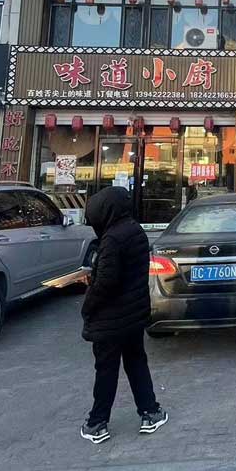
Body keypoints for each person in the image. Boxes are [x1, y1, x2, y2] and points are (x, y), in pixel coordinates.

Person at [80, 187, 168, 444]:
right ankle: (150, 412)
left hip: (111, 317)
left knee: (106, 369)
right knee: (136, 362)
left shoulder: (112, 239)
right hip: (133, 314)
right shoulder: (135, 230)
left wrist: (88, 304)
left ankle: (97, 423)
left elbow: (107, 282)